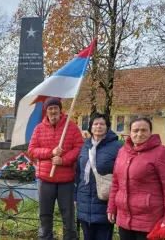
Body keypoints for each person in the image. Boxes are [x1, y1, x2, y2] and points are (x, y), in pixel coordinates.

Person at [107, 117, 165, 240]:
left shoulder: (161, 152)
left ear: (151, 132)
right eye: (135, 130)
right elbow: (115, 183)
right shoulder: (122, 152)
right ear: (130, 132)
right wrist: (112, 207)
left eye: (144, 130)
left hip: (149, 220)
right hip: (124, 218)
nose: (139, 134)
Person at [28, 97, 83, 240]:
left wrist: (63, 160)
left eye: (55, 108)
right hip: (45, 180)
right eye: (50, 109)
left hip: (66, 180)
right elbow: (32, 150)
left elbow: (79, 147)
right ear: (46, 111)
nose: (53, 111)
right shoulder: (39, 129)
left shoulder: (71, 126)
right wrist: (50, 152)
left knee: (68, 216)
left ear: (60, 110)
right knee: (45, 216)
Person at [74, 113, 122, 240]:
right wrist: (75, 196)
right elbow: (78, 172)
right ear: (90, 127)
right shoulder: (85, 146)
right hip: (84, 200)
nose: (98, 126)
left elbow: (121, 174)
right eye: (95, 124)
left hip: (105, 200)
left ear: (107, 127)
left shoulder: (117, 147)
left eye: (102, 124)